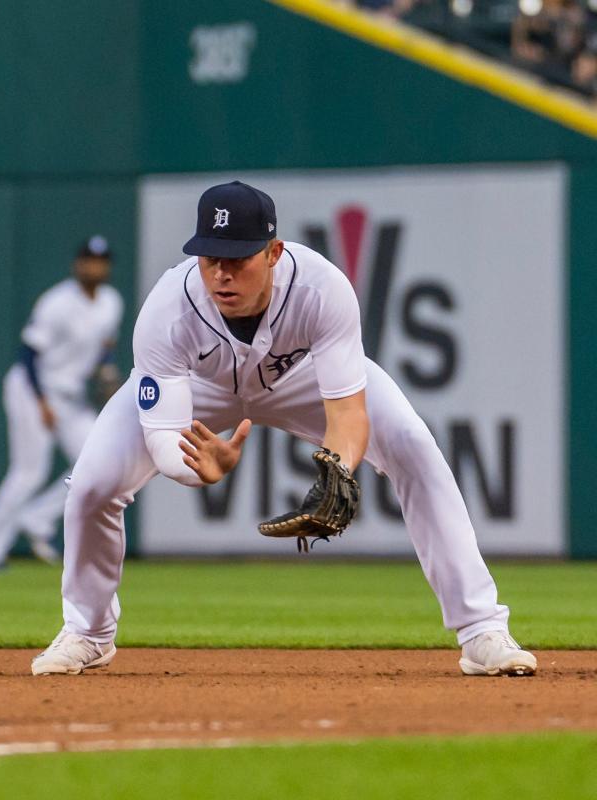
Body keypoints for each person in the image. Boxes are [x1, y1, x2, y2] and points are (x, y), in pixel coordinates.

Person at [31, 181, 537, 678]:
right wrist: (194, 470)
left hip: (301, 376)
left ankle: (481, 629)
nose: (222, 274)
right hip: (199, 386)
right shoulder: (168, 310)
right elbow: (164, 435)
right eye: (211, 258)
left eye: (238, 259)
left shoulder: (321, 287)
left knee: (412, 446)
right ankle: (88, 632)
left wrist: (338, 468)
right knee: (94, 483)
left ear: (273, 252)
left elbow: (347, 412)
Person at [0, 236, 124, 574]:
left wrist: (107, 374)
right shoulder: (57, 302)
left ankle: (37, 517)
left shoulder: (111, 302)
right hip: (32, 389)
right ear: (77, 264)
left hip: (72, 395)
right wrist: (42, 403)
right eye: (88, 260)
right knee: (28, 472)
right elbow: (29, 355)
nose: (94, 266)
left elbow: (105, 349)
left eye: (101, 261)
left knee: (101, 464)